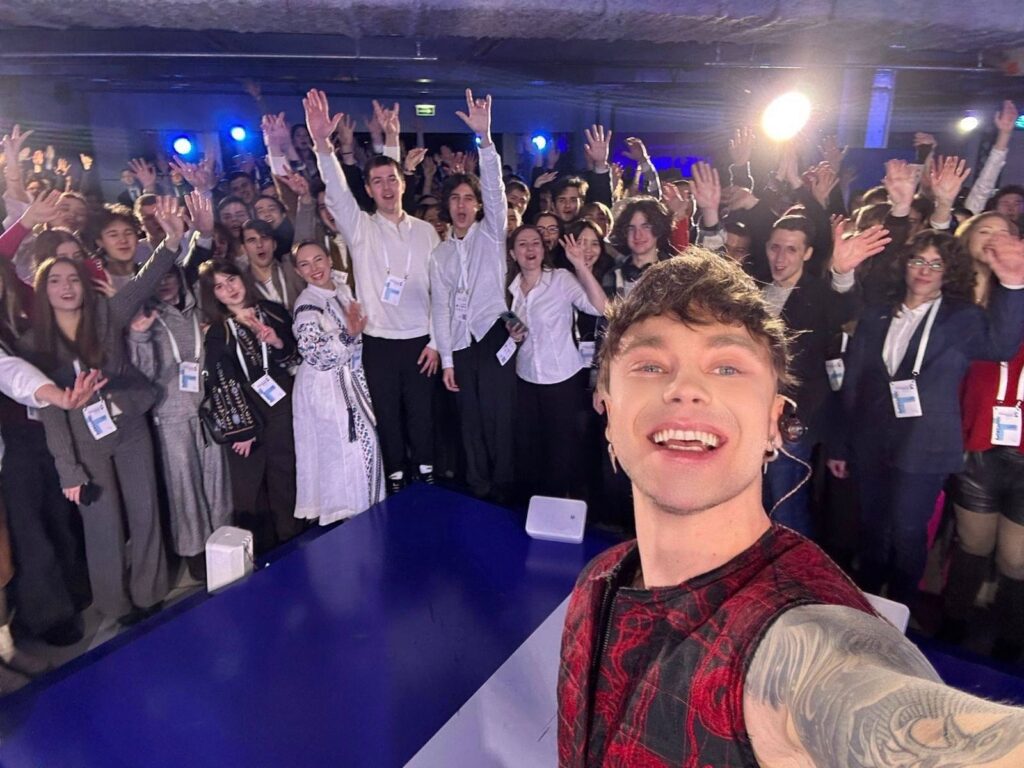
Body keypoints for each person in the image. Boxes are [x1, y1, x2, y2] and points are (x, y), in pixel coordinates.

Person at [557, 250, 1024, 767]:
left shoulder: (803, 639)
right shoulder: (598, 578)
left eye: (727, 366)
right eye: (650, 365)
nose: (684, 389)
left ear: (774, 424)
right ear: (607, 410)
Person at [829, 229, 1024, 610]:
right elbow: (852, 382)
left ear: (948, 272)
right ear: (904, 264)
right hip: (871, 439)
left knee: (907, 531)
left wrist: (1014, 283)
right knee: (871, 525)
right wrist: (840, 443)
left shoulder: (962, 318)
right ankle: (867, 604)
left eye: (936, 264)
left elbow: (1002, 346)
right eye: (918, 260)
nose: (924, 270)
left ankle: (900, 609)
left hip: (926, 445)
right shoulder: (877, 312)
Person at [27, 196, 185, 626]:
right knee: (102, 526)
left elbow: (144, 282)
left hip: (129, 425)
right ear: (43, 289)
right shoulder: (35, 343)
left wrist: (171, 241)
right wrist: (68, 469)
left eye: (72, 279)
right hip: (84, 441)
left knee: (145, 510)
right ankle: (115, 605)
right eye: (55, 280)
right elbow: (50, 411)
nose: (66, 287)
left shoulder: (106, 314)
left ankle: (150, 592)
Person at [305, 89, 442, 494]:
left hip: (421, 340)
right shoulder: (360, 227)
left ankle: (426, 474)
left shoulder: (427, 231)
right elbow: (336, 192)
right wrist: (322, 145)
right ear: (367, 189)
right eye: (377, 181)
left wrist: (437, 341)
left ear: (403, 183)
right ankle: (396, 478)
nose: (386, 187)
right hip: (378, 341)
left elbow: (441, 292)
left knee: (423, 415)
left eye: (392, 180)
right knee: (387, 414)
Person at [127, 194, 231, 581]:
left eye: (171, 273)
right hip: (170, 417)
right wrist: (139, 337)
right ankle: (195, 554)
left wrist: (202, 232)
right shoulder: (143, 320)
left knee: (217, 483)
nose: (166, 280)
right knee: (184, 488)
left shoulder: (195, 306)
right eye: (159, 276)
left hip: (205, 409)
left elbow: (197, 256)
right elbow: (144, 374)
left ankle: (224, 544)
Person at [429, 89, 515, 502]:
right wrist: (447, 360)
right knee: (469, 420)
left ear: (479, 206)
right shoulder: (440, 254)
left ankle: (505, 489)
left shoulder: (491, 234)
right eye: (455, 199)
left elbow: (496, 191)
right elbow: (441, 309)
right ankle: (479, 488)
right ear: (447, 206)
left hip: (494, 333)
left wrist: (485, 141)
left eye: (468, 199)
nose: (462, 205)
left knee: (500, 418)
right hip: (462, 344)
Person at [199, 260, 303, 554]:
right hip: (244, 410)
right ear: (213, 295)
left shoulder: (272, 311)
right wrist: (241, 429)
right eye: (219, 286)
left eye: (231, 279)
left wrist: (277, 342)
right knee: (250, 485)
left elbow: (295, 357)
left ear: (242, 278)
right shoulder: (218, 330)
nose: (229, 289)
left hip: (280, 400)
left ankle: (292, 540)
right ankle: (259, 551)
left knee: (285, 472)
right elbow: (220, 380)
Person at [507, 224, 606, 499]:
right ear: (513, 254)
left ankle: (560, 506)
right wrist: (513, 335)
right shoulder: (510, 288)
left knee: (562, 452)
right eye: (522, 244)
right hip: (526, 378)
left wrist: (580, 266)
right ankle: (535, 507)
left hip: (562, 379)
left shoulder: (561, 279)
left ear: (544, 249)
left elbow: (601, 308)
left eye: (535, 243)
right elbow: (512, 327)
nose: (530, 249)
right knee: (532, 449)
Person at [291, 241, 384, 524]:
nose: (314, 268)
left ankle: (365, 515)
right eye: (305, 264)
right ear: (298, 271)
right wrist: (346, 336)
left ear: (329, 260)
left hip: (349, 379)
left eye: (318, 259)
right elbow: (313, 353)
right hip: (326, 388)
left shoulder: (341, 290)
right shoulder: (307, 306)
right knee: (346, 452)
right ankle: (352, 518)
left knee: (359, 449)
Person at [603, 196, 678, 298]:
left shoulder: (673, 276)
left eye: (645, 227)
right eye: (631, 228)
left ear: (659, 229)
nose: (637, 235)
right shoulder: (612, 276)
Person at [241, 218, 305, 311]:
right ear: (244, 249)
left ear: (274, 244)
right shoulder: (243, 285)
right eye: (252, 240)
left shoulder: (293, 268)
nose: (259, 245)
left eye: (264, 238)